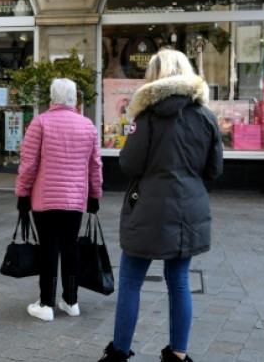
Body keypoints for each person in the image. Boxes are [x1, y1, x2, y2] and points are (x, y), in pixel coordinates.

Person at [98, 49, 223, 362]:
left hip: (149, 211)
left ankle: (119, 353)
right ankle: (178, 355)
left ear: (154, 76)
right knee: (180, 282)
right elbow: (215, 169)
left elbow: (129, 164)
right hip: (189, 210)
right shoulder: (206, 115)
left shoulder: (147, 117)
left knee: (130, 283)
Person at [15, 78, 103, 322]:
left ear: (52, 97)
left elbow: (29, 164)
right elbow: (95, 165)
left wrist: (22, 193)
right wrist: (94, 194)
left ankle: (46, 303)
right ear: (75, 98)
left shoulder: (40, 123)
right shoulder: (88, 126)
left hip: (46, 199)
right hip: (75, 198)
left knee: (48, 248)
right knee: (70, 246)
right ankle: (71, 301)